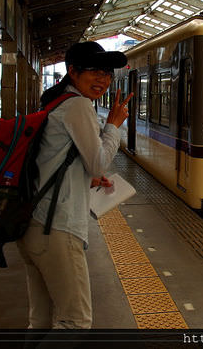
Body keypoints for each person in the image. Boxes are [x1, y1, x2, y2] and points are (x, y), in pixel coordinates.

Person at [17, 41, 132, 329]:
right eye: (94, 71)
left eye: (106, 73)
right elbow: (98, 162)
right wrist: (114, 126)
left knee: (40, 320)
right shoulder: (79, 105)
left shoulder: (55, 102)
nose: (103, 80)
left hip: (33, 224)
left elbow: (59, 159)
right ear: (73, 71)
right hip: (57, 228)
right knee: (75, 322)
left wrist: (87, 177)